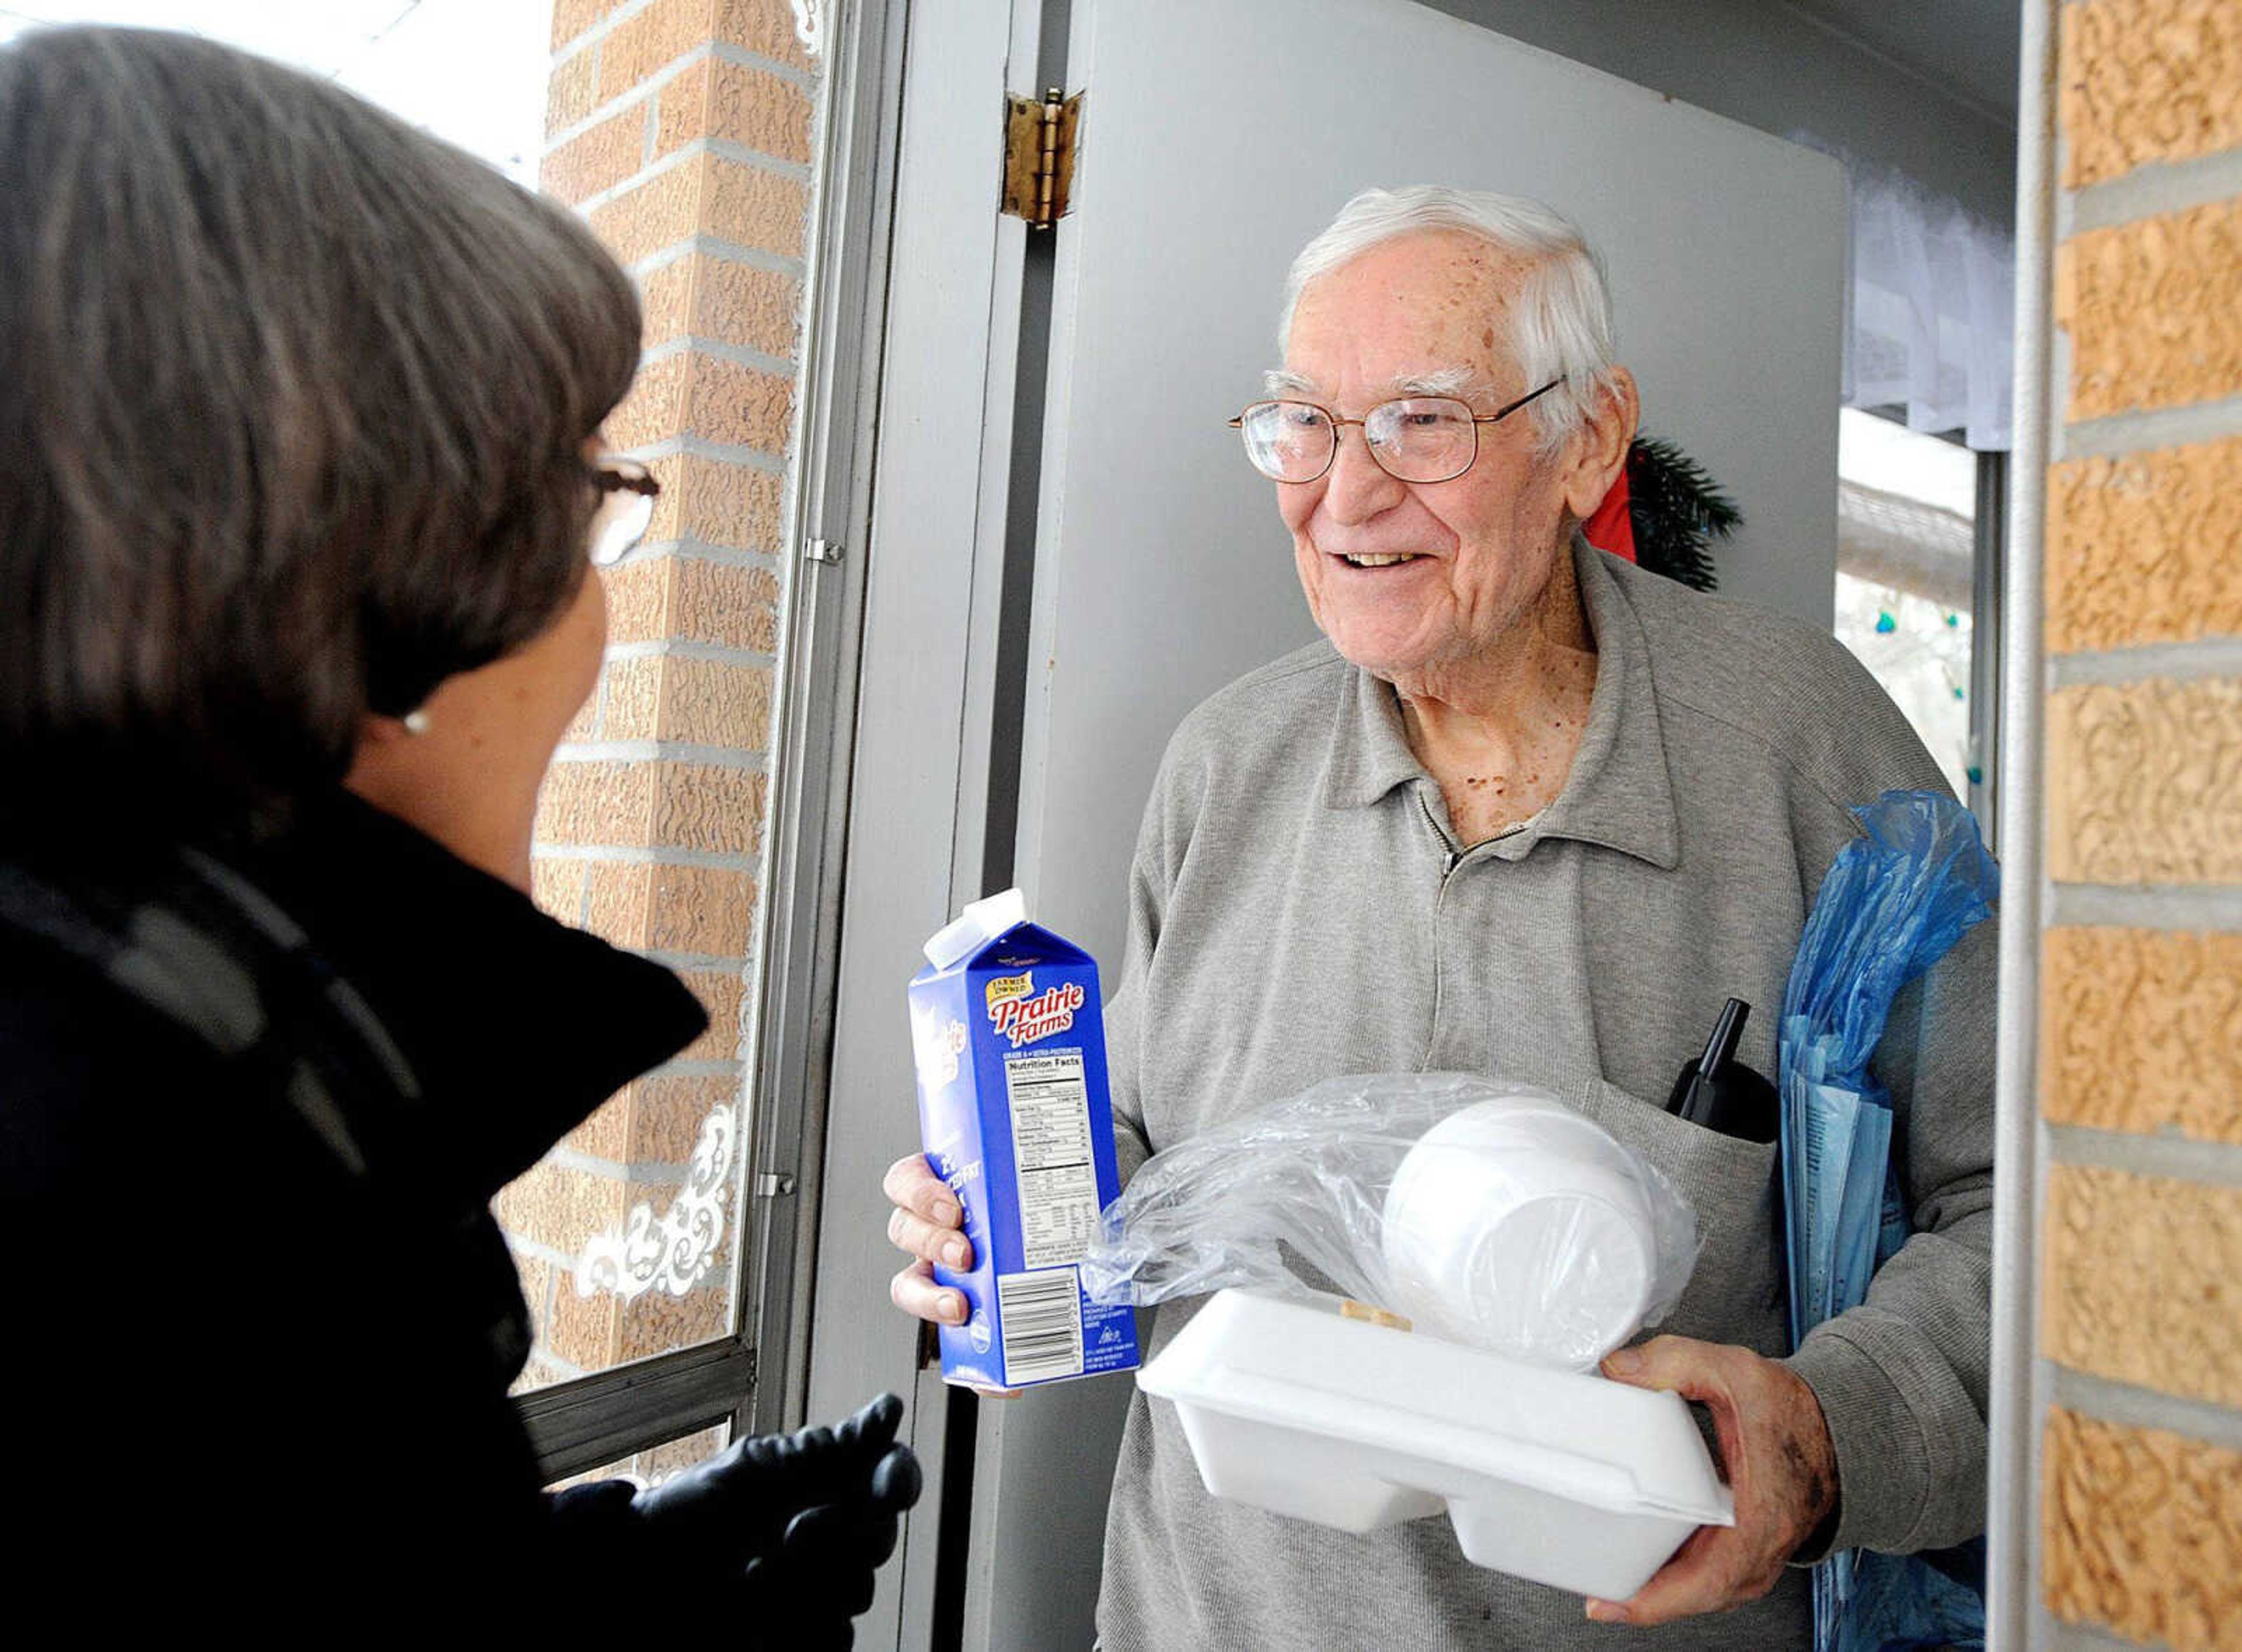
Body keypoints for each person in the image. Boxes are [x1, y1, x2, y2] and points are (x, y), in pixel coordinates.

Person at [885, 185, 1994, 1647]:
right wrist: (1015, 1219)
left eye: (1423, 420)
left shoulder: (1806, 751)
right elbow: (1156, 1167)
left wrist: (1833, 1428)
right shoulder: (1223, 767)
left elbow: (2034, 1214)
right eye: (1305, 422)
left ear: (1588, 437)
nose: (1345, 496)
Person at [0, 26, 914, 1639]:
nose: (597, 609)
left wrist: (563, 1587)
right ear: (387, 562)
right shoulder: (179, 1227)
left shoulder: (162, 1072)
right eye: (585, 498)